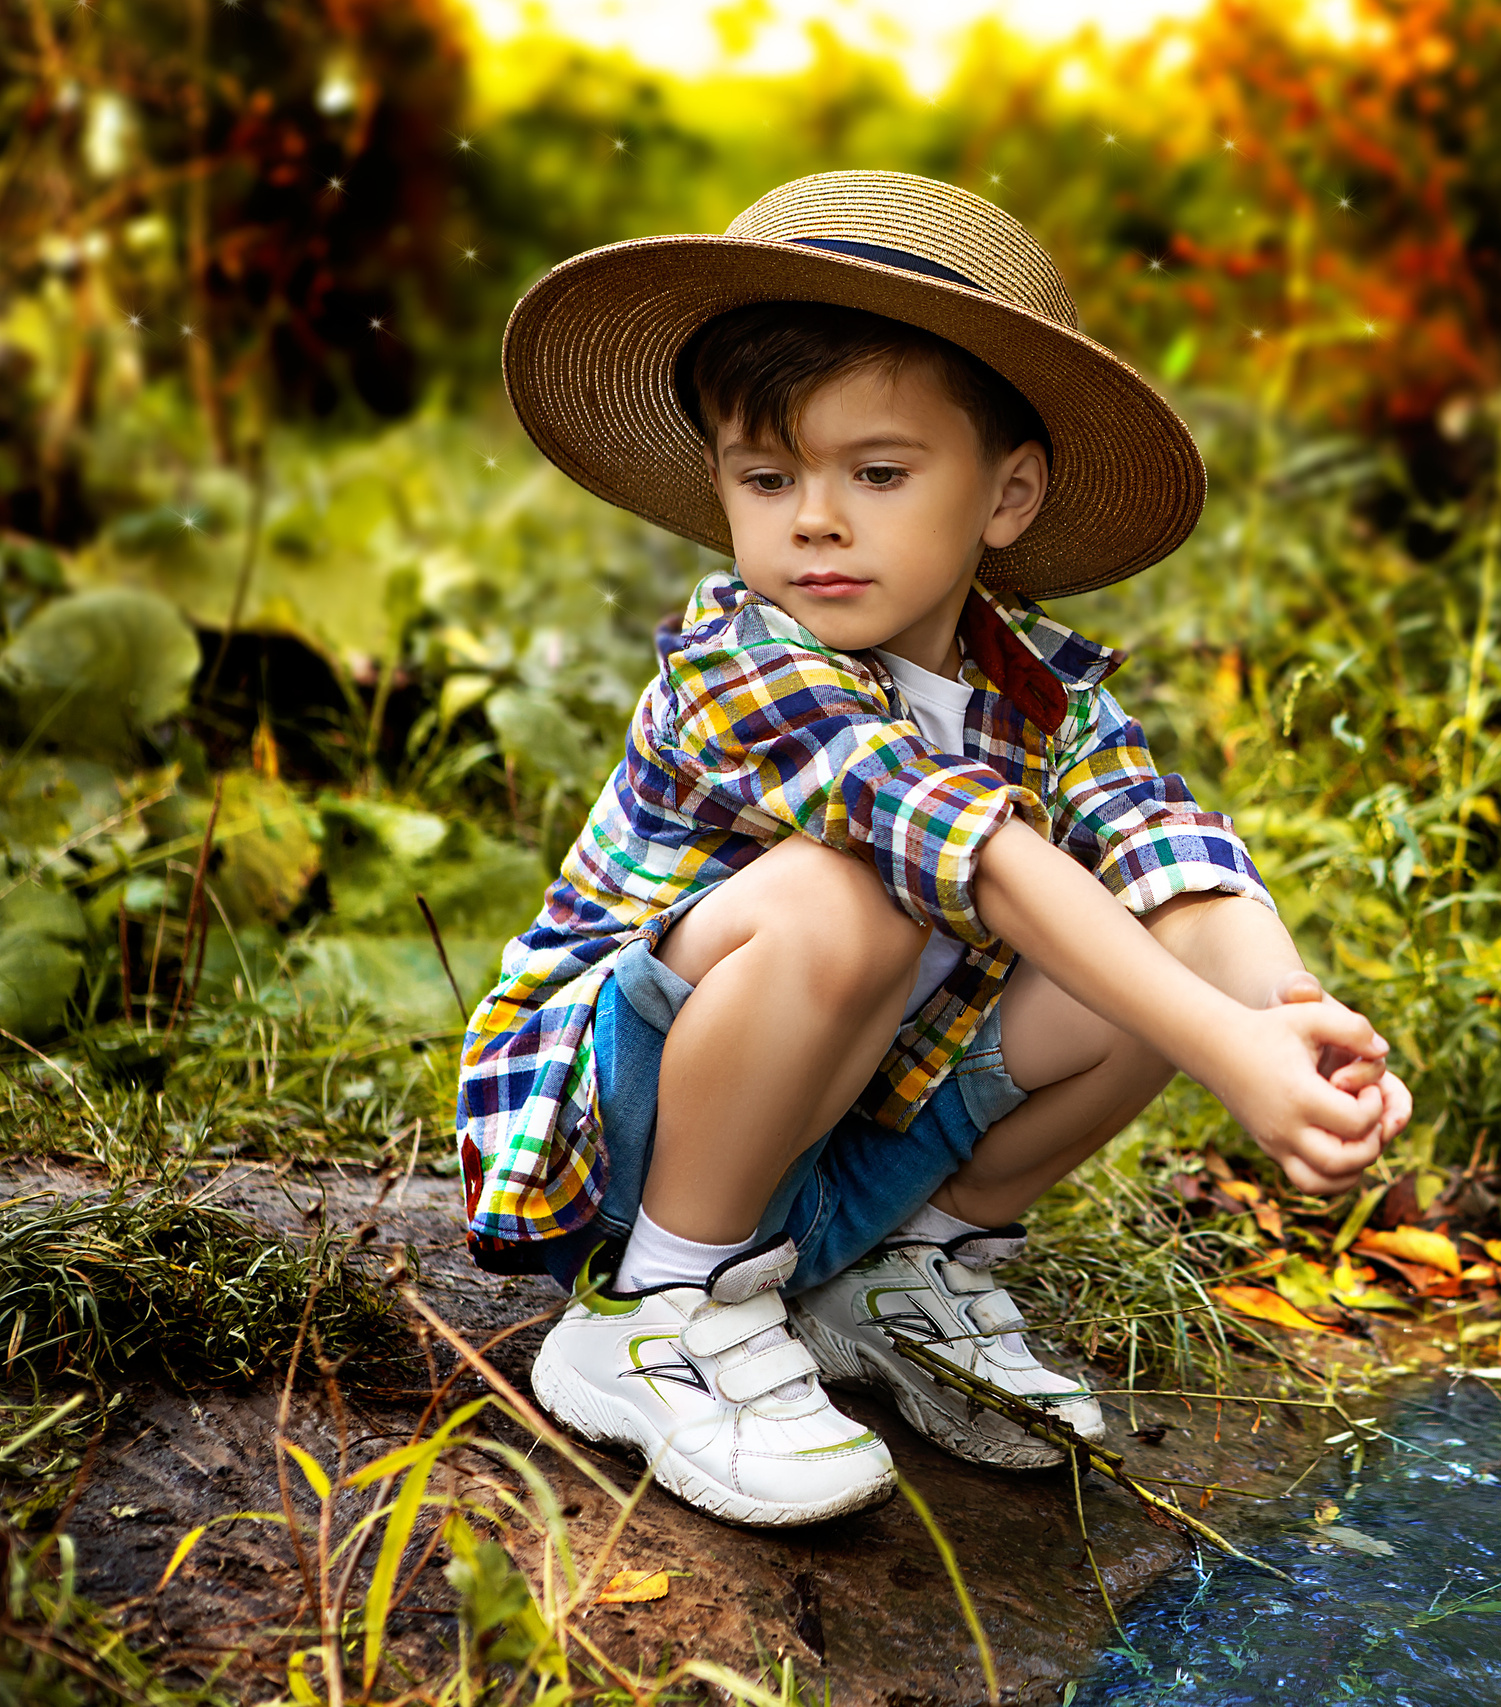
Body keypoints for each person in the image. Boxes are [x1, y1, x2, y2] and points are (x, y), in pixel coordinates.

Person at [455, 171, 1412, 1528]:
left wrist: (1296, 1024)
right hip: (617, 1140)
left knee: (1130, 937)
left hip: (842, 1149)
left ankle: (902, 1276)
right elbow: (975, 853)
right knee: (853, 897)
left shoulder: (1044, 692)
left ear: (1006, 496)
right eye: (768, 476)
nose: (816, 520)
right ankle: (654, 1310)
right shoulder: (742, 661)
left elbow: (1169, 855)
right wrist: (1220, 1047)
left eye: (880, 473)